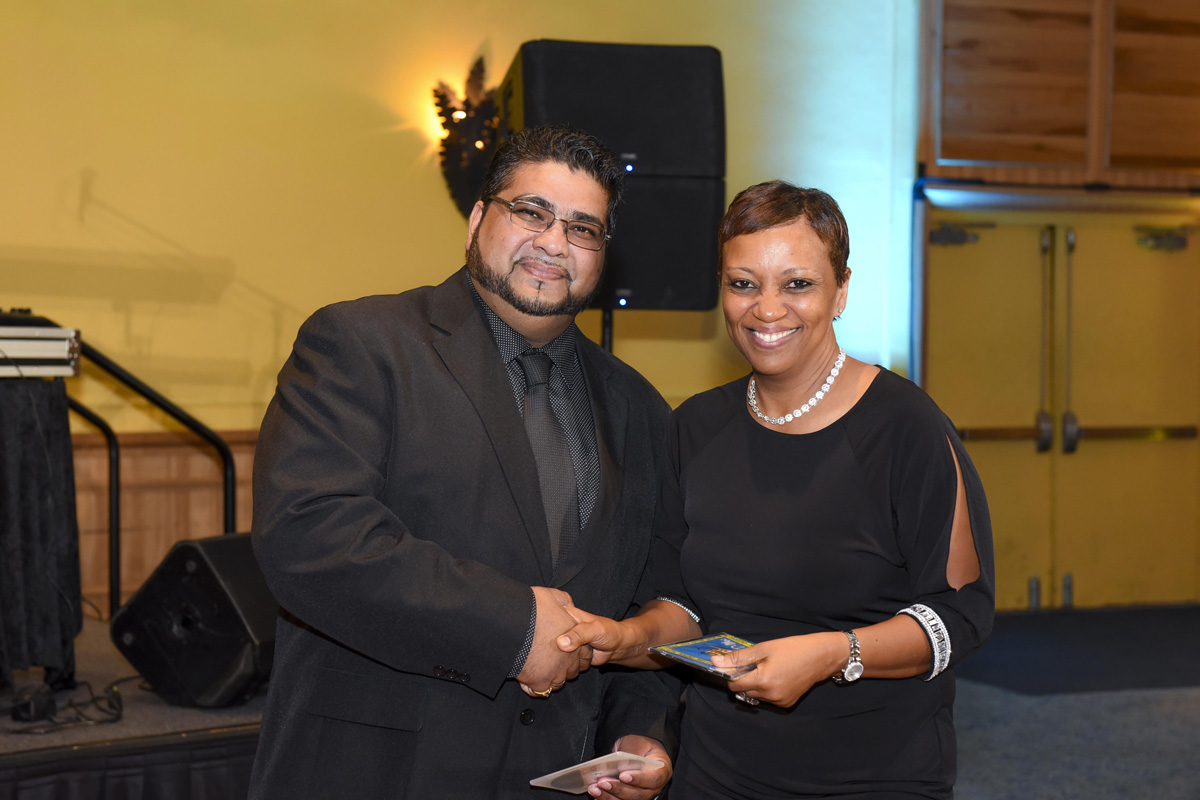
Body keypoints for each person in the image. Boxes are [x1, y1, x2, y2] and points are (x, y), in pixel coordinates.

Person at [247, 126, 679, 800]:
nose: (554, 243)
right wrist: (517, 627)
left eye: (582, 229)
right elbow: (310, 537)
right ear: (478, 221)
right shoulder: (363, 343)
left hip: (556, 778)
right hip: (375, 773)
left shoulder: (639, 408)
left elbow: (644, 604)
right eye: (531, 212)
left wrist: (638, 732)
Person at [559, 180, 995, 799]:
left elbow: (960, 615)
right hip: (716, 773)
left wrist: (834, 654)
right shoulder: (695, 425)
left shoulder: (906, 426)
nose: (767, 309)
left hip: (871, 777)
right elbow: (683, 605)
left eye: (798, 284)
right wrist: (626, 639)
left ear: (841, 291)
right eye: (743, 284)